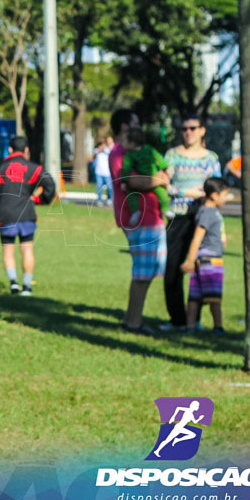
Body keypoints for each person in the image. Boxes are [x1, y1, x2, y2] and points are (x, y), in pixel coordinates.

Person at [109, 109, 169, 336]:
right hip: (139, 218)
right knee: (142, 272)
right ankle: (132, 322)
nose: (139, 127)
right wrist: (158, 181)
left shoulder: (138, 151)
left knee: (148, 271)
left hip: (151, 216)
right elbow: (131, 180)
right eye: (135, 123)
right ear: (125, 127)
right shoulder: (119, 153)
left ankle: (133, 319)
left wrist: (157, 180)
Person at [161, 114, 221, 331]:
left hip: (202, 218)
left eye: (193, 128)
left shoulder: (210, 158)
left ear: (202, 130)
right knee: (173, 268)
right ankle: (177, 318)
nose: (188, 132)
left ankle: (194, 320)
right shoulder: (172, 156)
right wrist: (184, 192)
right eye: (184, 128)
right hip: (177, 218)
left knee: (201, 271)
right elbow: (163, 184)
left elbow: (218, 189)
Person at [0, 135, 56, 296]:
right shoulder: (34, 168)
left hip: (6, 214)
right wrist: (41, 199)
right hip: (27, 213)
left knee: (8, 251)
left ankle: (14, 284)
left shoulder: (0, 167)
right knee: (27, 250)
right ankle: (27, 286)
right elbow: (50, 184)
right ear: (27, 150)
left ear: (10, 149)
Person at [181, 178, 230, 334]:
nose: (226, 199)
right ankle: (218, 327)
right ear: (214, 196)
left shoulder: (205, 208)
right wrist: (189, 260)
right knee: (214, 296)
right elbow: (197, 237)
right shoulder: (209, 213)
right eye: (224, 195)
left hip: (202, 258)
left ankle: (190, 326)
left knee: (195, 294)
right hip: (210, 260)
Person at [121, 127, 170, 226]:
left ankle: (136, 211)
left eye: (125, 140)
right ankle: (166, 209)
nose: (123, 143)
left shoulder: (129, 155)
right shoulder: (149, 149)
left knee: (131, 194)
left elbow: (126, 169)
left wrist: (124, 181)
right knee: (162, 193)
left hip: (146, 180)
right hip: (152, 179)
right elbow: (159, 159)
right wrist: (165, 170)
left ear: (132, 142)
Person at [93, 139, 113, 205]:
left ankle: (109, 199)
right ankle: (99, 200)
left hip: (107, 172)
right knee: (99, 187)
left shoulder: (107, 150)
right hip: (99, 172)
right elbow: (94, 155)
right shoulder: (96, 150)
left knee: (110, 187)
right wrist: (100, 149)